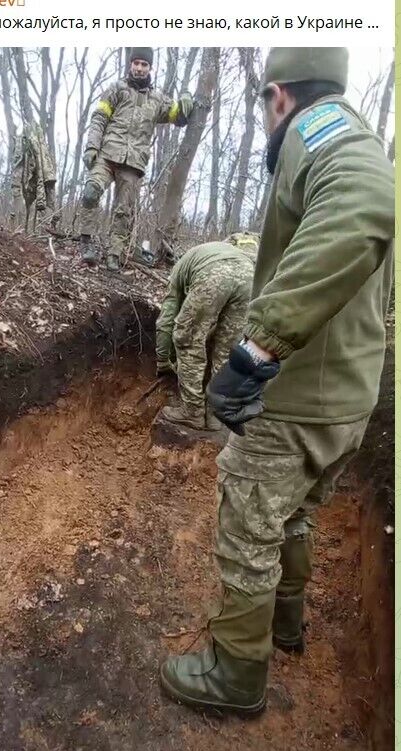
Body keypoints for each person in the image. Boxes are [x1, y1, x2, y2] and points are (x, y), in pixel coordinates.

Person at [160, 47, 394, 714]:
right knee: (294, 516)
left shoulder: (317, 129)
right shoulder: (359, 137)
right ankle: (284, 624)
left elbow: (365, 204)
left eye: (266, 105)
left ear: (280, 96)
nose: (267, 119)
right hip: (347, 400)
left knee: (246, 530)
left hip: (292, 401)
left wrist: (255, 351)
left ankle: (235, 674)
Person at [79, 48, 194, 272]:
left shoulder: (158, 99)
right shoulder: (116, 89)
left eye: (144, 64)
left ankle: (114, 254)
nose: (140, 68)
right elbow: (99, 118)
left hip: (133, 163)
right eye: (137, 63)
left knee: (123, 212)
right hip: (107, 155)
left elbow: (178, 117)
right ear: (130, 65)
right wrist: (92, 146)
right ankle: (86, 243)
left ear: (150, 68)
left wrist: (187, 100)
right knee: (91, 191)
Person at [155, 233, 259, 431]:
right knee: (227, 351)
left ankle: (192, 411)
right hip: (250, 277)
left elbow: (166, 321)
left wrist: (162, 361)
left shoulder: (181, 268)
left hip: (215, 274)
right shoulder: (225, 253)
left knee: (187, 340)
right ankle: (214, 414)